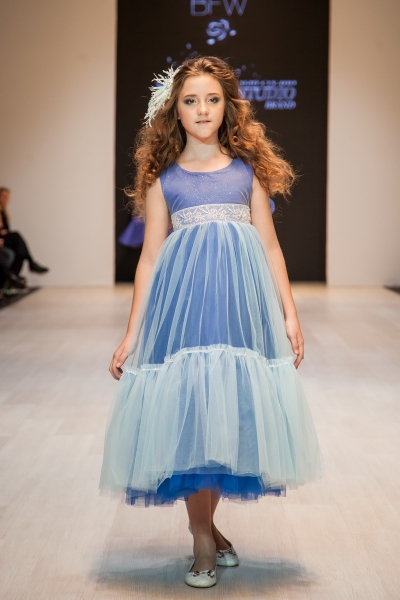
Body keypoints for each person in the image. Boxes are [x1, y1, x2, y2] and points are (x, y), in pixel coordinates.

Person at [99, 56, 324, 589]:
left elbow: (270, 247)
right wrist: (132, 333)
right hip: (184, 315)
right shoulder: (165, 180)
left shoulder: (247, 173)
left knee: (228, 417)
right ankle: (202, 536)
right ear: (174, 111)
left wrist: (290, 313)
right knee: (192, 415)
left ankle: (208, 528)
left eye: (212, 99)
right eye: (190, 100)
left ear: (228, 107)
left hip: (238, 315)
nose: (202, 109)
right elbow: (150, 258)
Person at [0, 187, 49, 275]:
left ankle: (14, 276)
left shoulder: (4, 213)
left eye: (7, 197)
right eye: (3, 196)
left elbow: (5, 229)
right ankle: (31, 263)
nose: (5, 198)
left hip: (4, 239)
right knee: (16, 237)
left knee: (20, 251)